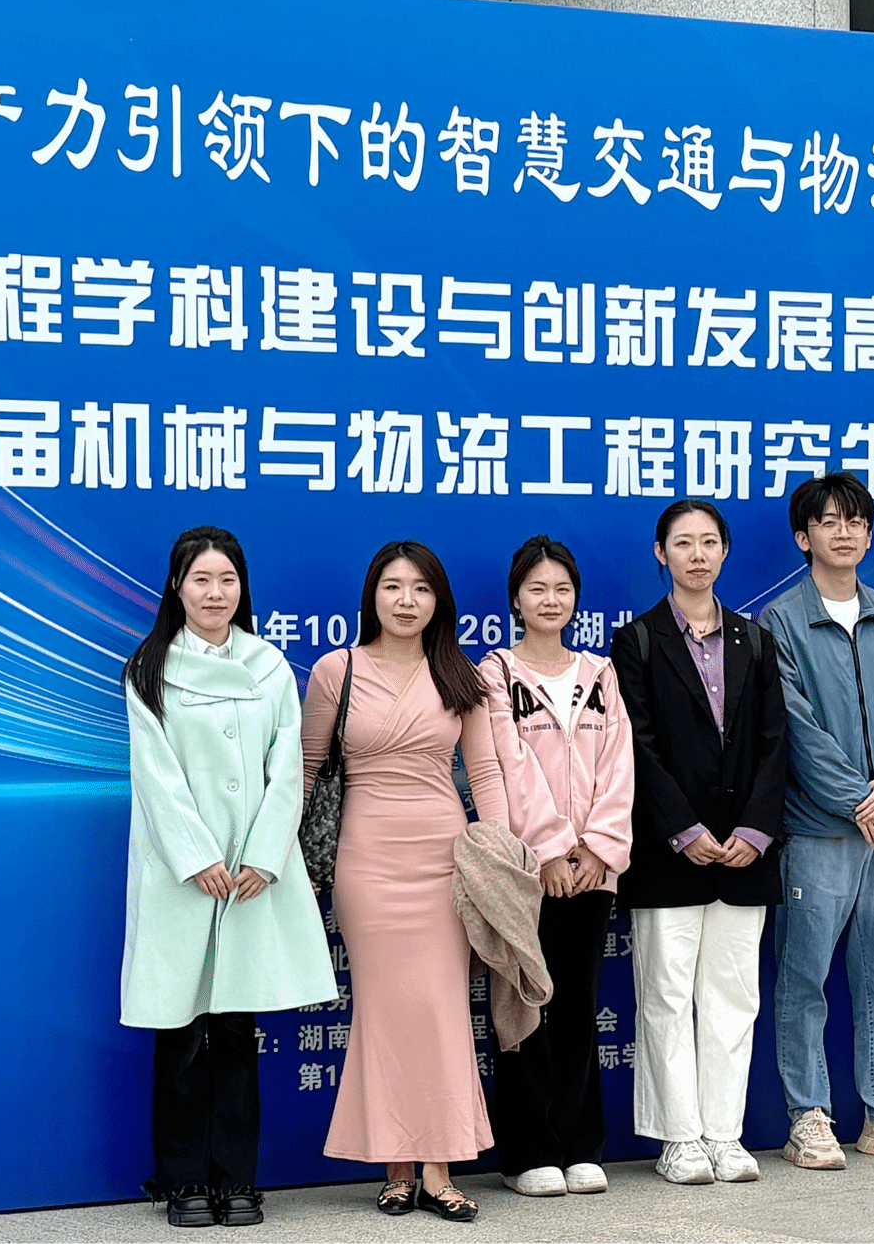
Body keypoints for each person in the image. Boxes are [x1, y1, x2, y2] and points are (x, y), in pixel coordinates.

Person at [120, 526, 338, 1228]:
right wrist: (197, 856)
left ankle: (237, 1179)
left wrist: (264, 855)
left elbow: (287, 769)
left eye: (227, 580)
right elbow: (155, 776)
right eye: (201, 580)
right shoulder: (150, 668)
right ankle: (182, 1179)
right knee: (181, 1030)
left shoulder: (269, 665)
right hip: (184, 874)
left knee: (239, 1029)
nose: (215, 593)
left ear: (243, 588)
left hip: (248, 874)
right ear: (177, 587)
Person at [302, 540, 511, 1222]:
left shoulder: (459, 673)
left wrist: (500, 858)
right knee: (386, 1011)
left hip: (444, 861)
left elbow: (485, 774)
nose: (406, 600)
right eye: (393, 587)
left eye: (421, 589)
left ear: (438, 601)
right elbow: (307, 770)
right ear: (372, 596)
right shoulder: (337, 671)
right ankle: (396, 1169)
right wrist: (282, 855)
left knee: (441, 1009)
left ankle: (441, 1170)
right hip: (365, 861)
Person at [759, 472, 874, 1170]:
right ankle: (807, 1116)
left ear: (870, 535)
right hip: (819, 828)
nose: (845, 532)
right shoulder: (780, 621)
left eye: (857, 521)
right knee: (804, 976)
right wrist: (852, 798)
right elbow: (793, 722)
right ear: (803, 537)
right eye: (829, 521)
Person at [610, 501, 789, 1186]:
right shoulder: (637, 641)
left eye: (709, 542)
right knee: (665, 995)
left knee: (733, 998)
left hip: (746, 853)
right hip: (667, 852)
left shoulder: (755, 640)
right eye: (682, 543)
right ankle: (680, 1139)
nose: (697, 555)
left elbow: (776, 743)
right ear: (661, 553)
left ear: (725, 551)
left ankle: (725, 1134)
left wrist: (754, 831)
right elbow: (637, 746)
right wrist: (684, 829)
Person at [478, 535, 635, 1198]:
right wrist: (546, 850)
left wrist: (597, 847)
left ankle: (580, 1145)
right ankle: (527, 1152)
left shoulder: (600, 673)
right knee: (522, 1007)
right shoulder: (496, 674)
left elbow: (620, 764)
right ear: (515, 598)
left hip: (594, 870)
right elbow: (507, 766)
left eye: (562, 589)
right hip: (526, 871)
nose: (550, 600)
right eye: (537, 588)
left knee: (577, 1005)